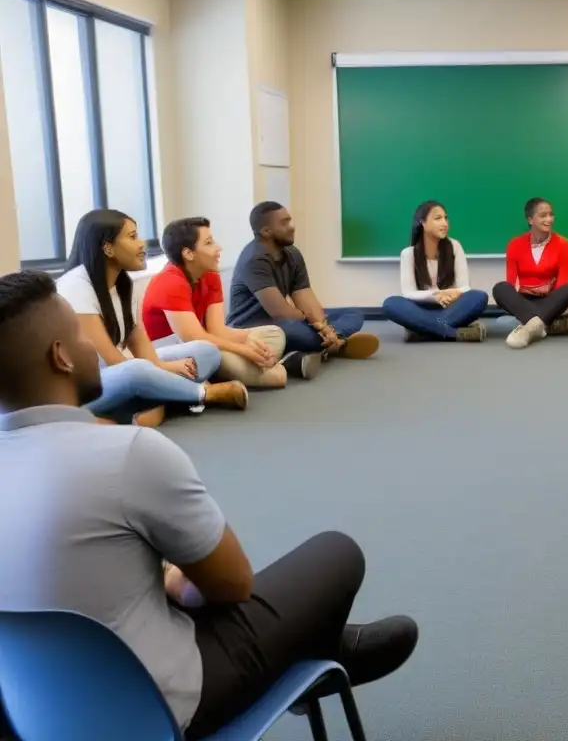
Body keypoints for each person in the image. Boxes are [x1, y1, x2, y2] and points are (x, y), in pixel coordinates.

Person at [0, 269, 420, 738]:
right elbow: (231, 586)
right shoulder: (129, 453)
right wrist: (171, 578)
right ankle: (323, 651)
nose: (87, 347)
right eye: (78, 335)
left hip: (31, 717)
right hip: (157, 710)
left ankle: (325, 645)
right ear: (59, 356)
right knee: (336, 554)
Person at [57, 209, 247, 427]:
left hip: (125, 374)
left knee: (206, 351)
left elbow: (145, 352)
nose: (142, 244)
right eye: (132, 237)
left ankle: (155, 400)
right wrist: (163, 371)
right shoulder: (75, 286)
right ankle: (203, 393)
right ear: (108, 248)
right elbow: (113, 362)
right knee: (135, 371)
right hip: (84, 389)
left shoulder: (123, 285)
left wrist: (166, 368)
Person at [142, 217, 322, 387]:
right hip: (172, 351)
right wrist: (244, 350)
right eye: (209, 243)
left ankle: (227, 373)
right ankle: (283, 369)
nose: (218, 248)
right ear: (188, 253)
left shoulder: (210, 275)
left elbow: (217, 330)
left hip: (204, 343)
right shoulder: (169, 282)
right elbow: (194, 338)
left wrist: (249, 341)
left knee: (273, 333)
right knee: (212, 353)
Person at [227, 202, 380, 361]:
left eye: (289, 220)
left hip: (286, 321)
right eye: (284, 223)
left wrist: (325, 327)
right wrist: (316, 324)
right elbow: (280, 312)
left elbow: (305, 297)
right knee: (298, 332)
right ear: (266, 231)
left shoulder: (293, 254)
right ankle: (331, 345)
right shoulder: (254, 260)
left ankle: (332, 340)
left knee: (353, 314)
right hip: (253, 327)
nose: (292, 227)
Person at [381, 201, 488, 342]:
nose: (445, 223)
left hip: (450, 308)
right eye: (438, 218)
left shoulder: (454, 246)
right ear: (423, 223)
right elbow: (408, 292)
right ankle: (454, 333)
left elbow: (465, 286)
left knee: (479, 296)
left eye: (446, 218)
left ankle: (421, 330)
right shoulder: (408, 253)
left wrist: (454, 292)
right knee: (391, 303)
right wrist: (435, 296)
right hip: (421, 309)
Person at [492, 197, 568, 349]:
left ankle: (528, 325)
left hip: (550, 300)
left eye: (551, 215)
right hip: (525, 300)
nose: (549, 219)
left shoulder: (564, 245)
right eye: (543, 215)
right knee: (500, 288)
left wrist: (546, 292)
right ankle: (544, 324)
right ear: (530, 219)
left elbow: (562, 286)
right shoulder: (515, 244)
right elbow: (511, 283)